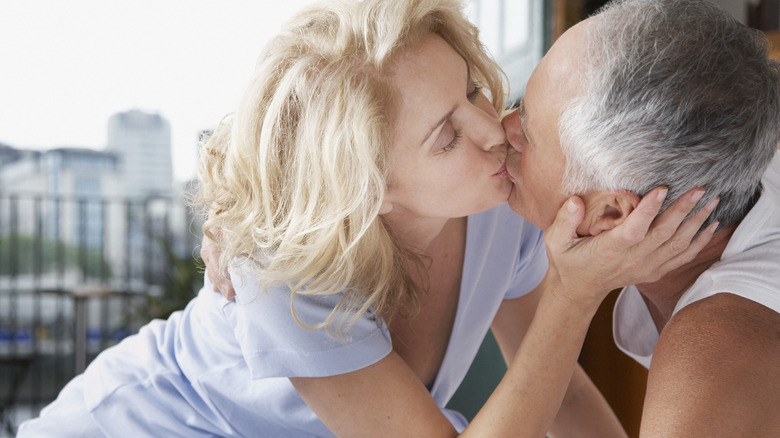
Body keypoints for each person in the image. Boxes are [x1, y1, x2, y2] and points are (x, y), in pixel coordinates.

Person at [18, 0, 714, 437]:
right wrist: (574, 291)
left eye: (473, 89)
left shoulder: (498, 202)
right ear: (367, 187)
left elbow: (558, 393)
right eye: (446, 135)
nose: (493, 130)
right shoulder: (283, 278)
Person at [498, 0, 780, 435]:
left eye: (528, 133)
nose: (503, 127)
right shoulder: (739, 152)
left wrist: (570, 294)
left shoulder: (711, 358)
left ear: (611, 214)